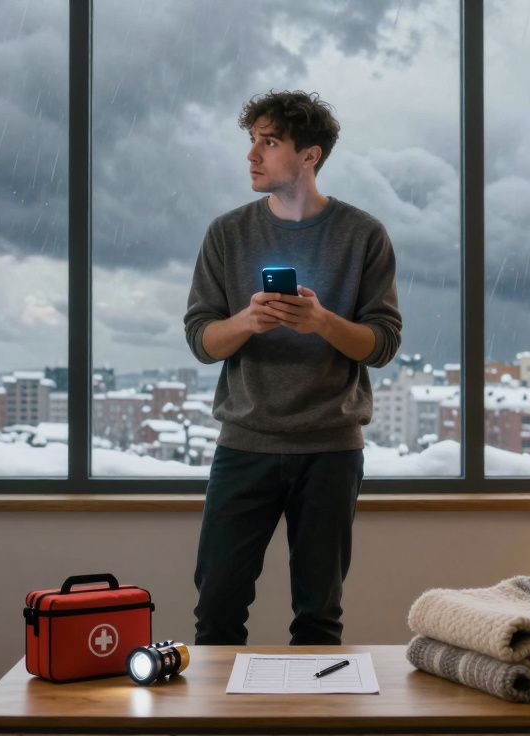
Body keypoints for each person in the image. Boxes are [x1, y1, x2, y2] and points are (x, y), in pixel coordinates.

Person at [183, 90, 402, 645]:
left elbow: (381, 343)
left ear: (311, 156)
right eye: (252, 141)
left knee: (318, 618)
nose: (252, 155)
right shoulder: (226, 234)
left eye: (270, 142)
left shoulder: (363, 235)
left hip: (330, 449)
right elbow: (201, 340)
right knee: (218, 608)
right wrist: (249, 322)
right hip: (244, 444)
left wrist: (321, 321)